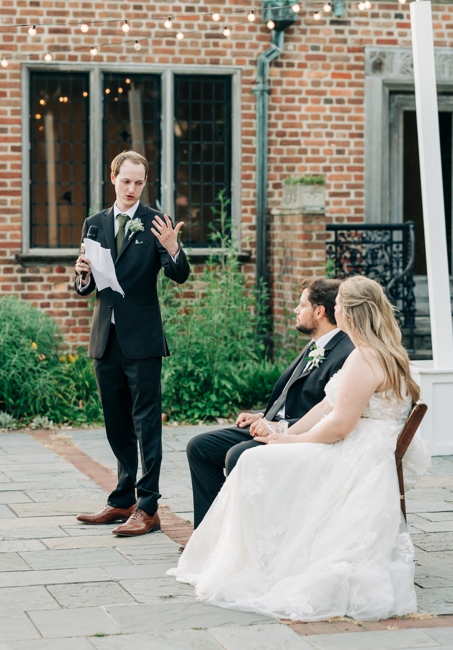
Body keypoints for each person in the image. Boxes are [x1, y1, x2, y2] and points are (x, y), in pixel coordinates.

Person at [170, 275, 430, 622]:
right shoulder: (388, 351)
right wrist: (283, 433)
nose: (336, 314)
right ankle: (237, 544)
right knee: (247, 452)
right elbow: (326, 408)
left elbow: (339, 424)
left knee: (251, 460)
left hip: (354, 449)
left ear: (348, 315)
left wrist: (290, 440)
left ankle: (256, 553)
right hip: (362, 443)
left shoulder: (363, 358)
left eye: (338, 309)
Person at [73, 151, 191, 536]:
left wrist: (173, 248)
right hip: (105, 339)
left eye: (139, 182)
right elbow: (87, 287)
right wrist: (81, 275)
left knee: (146, 425)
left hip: (142, 340)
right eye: (126, 181)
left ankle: (148, 507)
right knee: (116, 423)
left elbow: (179, 275)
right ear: (113, 178)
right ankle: (123, 498)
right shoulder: (94, 224)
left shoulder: (156, 221)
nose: (131, 188)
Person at [185, 278, 354, 527]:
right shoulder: (316, 344)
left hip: (301, 436)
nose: (296, 310)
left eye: (301, 305)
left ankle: (242, 535)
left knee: (239, 455)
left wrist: (278, 427)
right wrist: (262, 415)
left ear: (319, 312)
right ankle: (210, 532)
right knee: (200, 446)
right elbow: (293, 394)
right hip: (273, 425)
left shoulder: (345, 353)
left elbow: (329, 412)